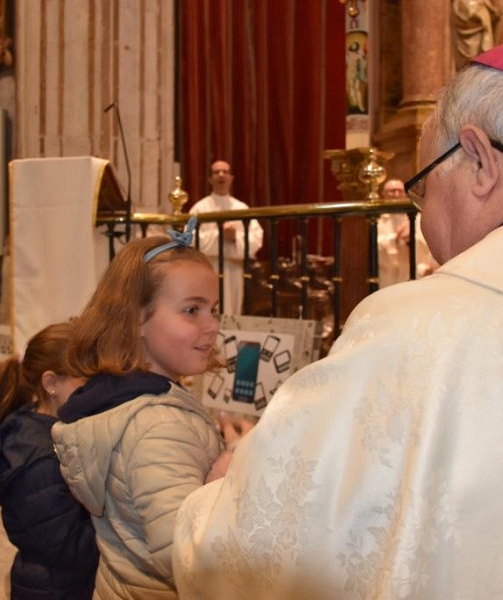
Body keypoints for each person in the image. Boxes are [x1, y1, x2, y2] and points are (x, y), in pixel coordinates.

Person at [172, 44, 503, 599]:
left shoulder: (412, 326)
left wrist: (224, 485)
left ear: (481, 162)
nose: (421, 224)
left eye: (421, 187)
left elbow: (242, 545)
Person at [51, 217, 238, 600]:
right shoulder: (156, 426)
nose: (212, 326)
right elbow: (187, 556)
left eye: (213, 309)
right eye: (192, 310)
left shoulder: (125, 398)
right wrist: (230, 472)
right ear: (137, 318)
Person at [0, 321, 98, 600]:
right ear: (51, 383)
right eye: (84, 384)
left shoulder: (45, 428)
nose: (94, 394)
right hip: (56, 588)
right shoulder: (40, 459)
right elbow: (65, 547)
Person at [189, 160, 263, 315]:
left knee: (232, 313)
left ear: (231, 178)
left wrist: (235, 238)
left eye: (225, 172)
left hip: (233, 269)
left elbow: (256, 239)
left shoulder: (241, 208)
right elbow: (190, 239)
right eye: (216, 172)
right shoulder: (200, 208)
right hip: (208, 268)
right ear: (210, 179)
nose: (221, 175)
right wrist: (219, 235)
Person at [377, 178, 437, 286]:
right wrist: (395, 238)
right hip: (389, 275)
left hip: (414, 273)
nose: (396, 194)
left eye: (400, 191)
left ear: (405, 194)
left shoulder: (417, 218)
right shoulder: (378, 219)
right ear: (384, 194)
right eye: (392, 191)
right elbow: (375, 246)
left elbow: (428, 244)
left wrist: (411, 239)